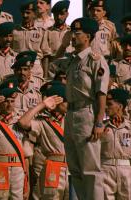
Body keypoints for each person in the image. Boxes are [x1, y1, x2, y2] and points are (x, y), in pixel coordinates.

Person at [56, 17, 109, 200]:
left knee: (91, 170)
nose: (73, 36)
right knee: (75, 168)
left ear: (88, 36)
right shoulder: (72, 59)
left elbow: (101, 93)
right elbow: (50, 68)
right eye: (72, 32)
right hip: (70, 114)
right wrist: (62, 46)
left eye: (77, 33)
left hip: (87, 113)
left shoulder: (95, 60)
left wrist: (99, 122)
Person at [19, 83, 69, 200]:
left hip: (71, 168)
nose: (69, 104)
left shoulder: (72, 119)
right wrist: (42, 104)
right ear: (57, 101)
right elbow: (23, 122)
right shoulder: (43, 122)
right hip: (53, 168)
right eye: (66, 100)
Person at [101, 88, 131, 199]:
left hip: (126, 170)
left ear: (120, 106)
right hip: (105, 168)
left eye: (109, 104)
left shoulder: (129, 127)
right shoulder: (102, 126)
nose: (106, 107)